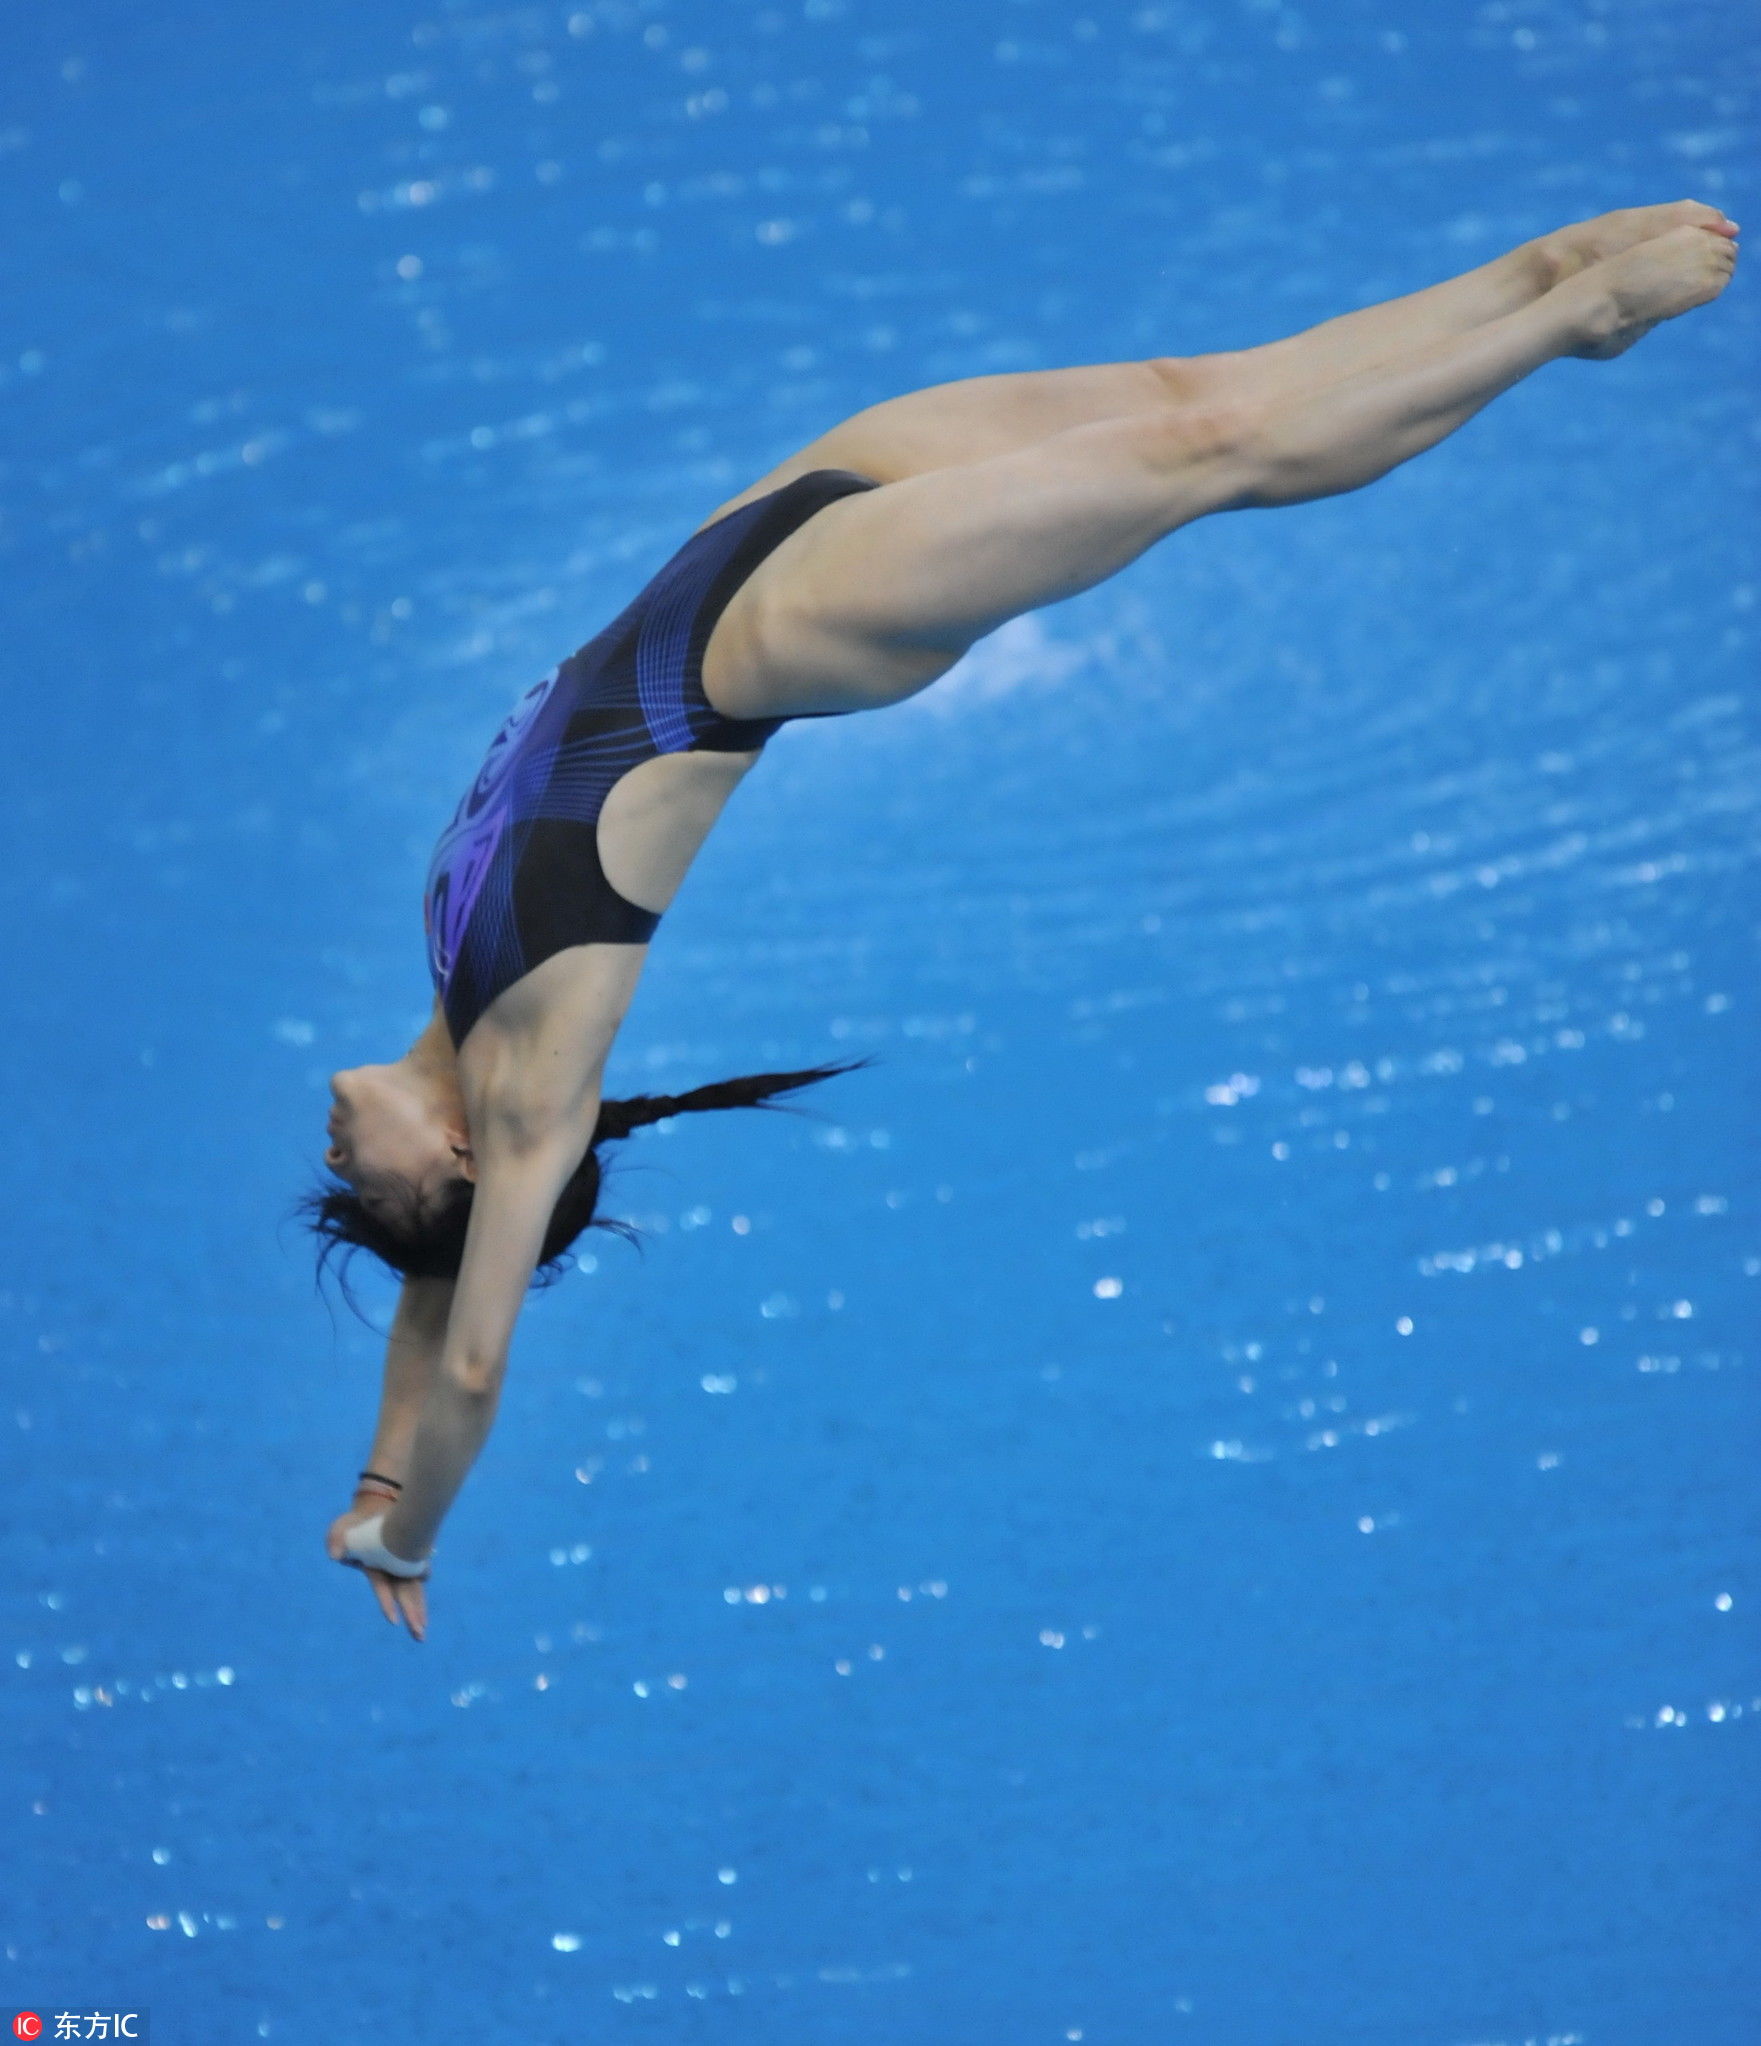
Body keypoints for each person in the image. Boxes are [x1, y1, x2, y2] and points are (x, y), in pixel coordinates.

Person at [315, 201, 1737, 1637]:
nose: (329, 1153)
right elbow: (477, 1354)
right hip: (788, 627)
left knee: (1198, 391)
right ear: (454, 1162)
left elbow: (431, 1305)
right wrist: (410, 1535)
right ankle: (1569, 326)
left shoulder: (448, 994)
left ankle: (1518, 275)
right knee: (1202, 463)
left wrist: (377, 1462)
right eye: (365, 1191)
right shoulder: (522, 1086)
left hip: (762, 528)